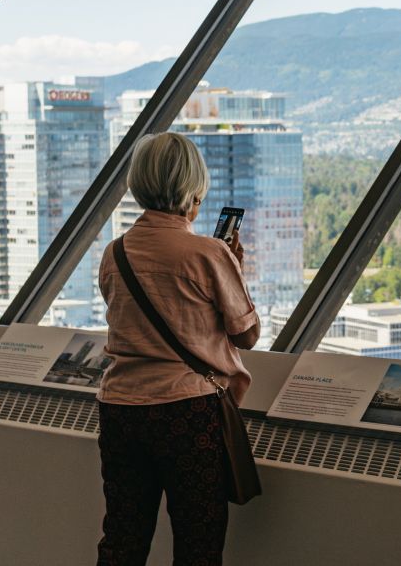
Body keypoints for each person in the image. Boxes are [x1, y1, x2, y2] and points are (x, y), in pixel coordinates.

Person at [95, 131, 260, 566]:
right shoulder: (208, 253)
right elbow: (246, 334)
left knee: (122, 538)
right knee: (198, 542)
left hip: (120, 407)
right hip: (186, 412)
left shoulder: (115, 253)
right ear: (195, 186)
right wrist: (234, 269)